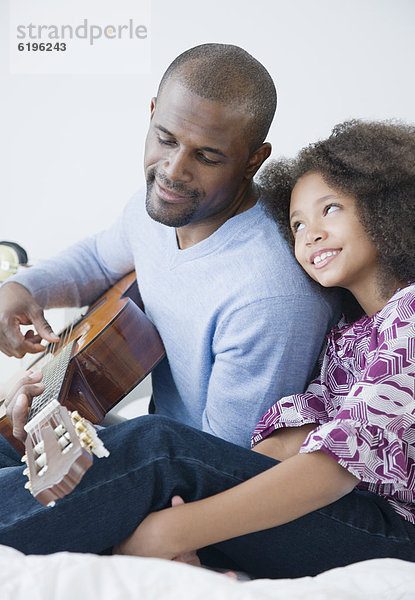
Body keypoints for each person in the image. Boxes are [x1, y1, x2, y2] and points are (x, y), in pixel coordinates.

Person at [2, 119, 414, 578]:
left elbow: (329, 470)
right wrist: (202, 492)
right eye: (296, 223)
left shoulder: (409, 320)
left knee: (157, 446)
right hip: (332, 506)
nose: (309, 234)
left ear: (388, 208)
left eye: (330, 209)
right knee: (61, 444)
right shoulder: (350, 327)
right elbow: (289, 443)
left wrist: (173, 530)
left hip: (392, 529)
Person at [0, 44, 339, 450]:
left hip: (193, 475)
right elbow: (97, 258)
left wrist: (65, 430)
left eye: (207, 157)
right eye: (165, 138)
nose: (172, 172)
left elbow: (220, 461)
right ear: (152, 112)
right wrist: (20, 290)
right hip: (156, 442)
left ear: (254, 161)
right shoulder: (163, 208)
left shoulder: (271, 295)